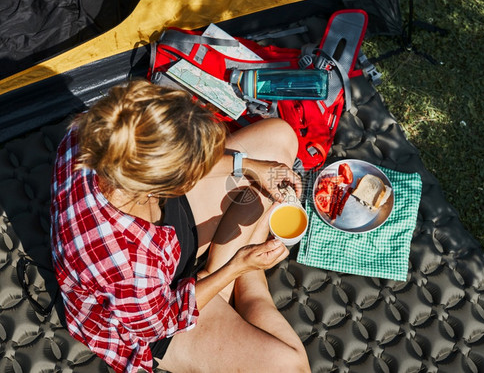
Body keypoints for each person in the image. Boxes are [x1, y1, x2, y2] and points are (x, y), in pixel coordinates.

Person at [50, 79, 310, 373]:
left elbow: (181, 159)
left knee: (279, 139)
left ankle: (224, 279)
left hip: (161, 234)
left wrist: (250, 166)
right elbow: (159, 323)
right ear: (165, 181)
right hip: (156, 311)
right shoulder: (127, 265)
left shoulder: (98, 132)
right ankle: (243, 283)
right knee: (292, 365)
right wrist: (237, 268)